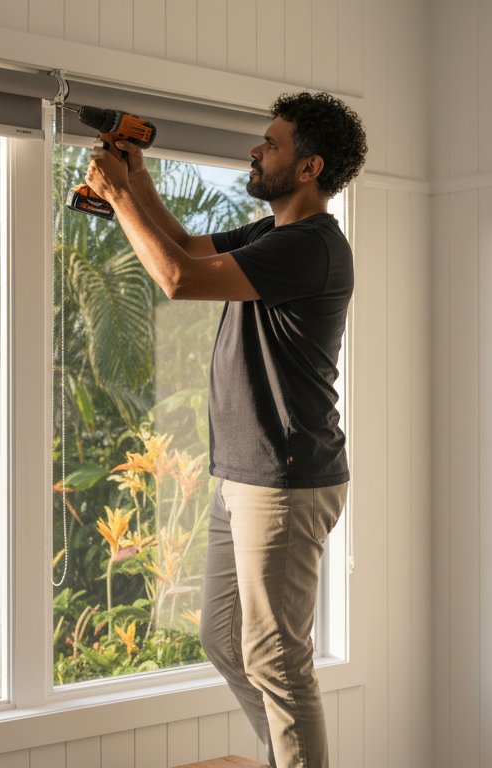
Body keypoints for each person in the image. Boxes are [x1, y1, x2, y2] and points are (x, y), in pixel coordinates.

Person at [85, 91, 367, 768]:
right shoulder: (272, 237)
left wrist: (115, 196)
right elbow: (182, 242)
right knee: (222, 637)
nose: (254, 150)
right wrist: (138, 178)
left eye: (270, 143)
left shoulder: (310, 248)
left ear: (308, 168)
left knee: (277, 659)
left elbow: (178, 278)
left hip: (286, 481)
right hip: (243, 474)